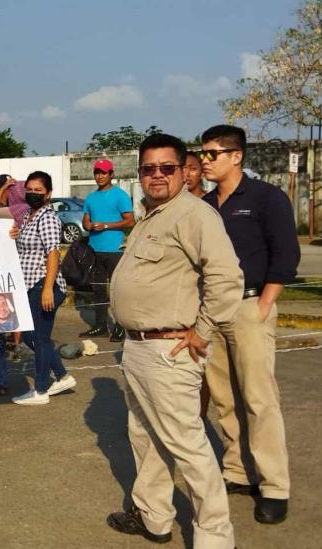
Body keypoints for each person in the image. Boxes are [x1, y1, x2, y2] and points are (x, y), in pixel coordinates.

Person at [105, 134, 243, 548]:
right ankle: (154, 516)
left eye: (167, 167)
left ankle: (214, 537)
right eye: (149, 168)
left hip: (169, 350)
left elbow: (226, 278)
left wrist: (202, 331)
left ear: (185, 171)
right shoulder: (152, 216)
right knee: (145, 436)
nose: (158, 175)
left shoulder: (194, 214)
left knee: (189, 448)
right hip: (139, 348)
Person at [201, 124, 300, 525]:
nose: (204, 161)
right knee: (225, 399)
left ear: (236, 156)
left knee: (260, 399)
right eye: (202, 153)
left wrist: (264, 304)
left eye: (212, 154)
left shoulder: (266, 197)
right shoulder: (205, 204)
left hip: (250, 308)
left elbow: (286, 253)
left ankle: (275, 486)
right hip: (212, 313)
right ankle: (240, 471)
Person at [11, 171, 77, 405]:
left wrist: (48, 288)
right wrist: (15, 235)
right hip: (30, 284)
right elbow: (27, 247)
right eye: (29, 189)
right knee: (33, 336)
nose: (32, 193)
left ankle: (40, 390)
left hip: (43, 285)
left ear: (48, 194)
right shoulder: (29, 214)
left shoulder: (48, 218)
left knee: (39, 337)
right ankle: (61, 375)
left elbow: (52, 254)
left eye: (38, 190)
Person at [79, 158, 134, 342]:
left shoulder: (120, 195)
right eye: (97, 172)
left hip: (114, 250)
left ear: (112, 174)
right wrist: (88, 225)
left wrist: (106, 226)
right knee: (98, 290)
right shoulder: (91, 197)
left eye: (103, 172)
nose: (99, 176)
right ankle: (101, 326)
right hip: (95, 250)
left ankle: (120, 327)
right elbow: (86, 220)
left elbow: (130, 221)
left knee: (117, 290)